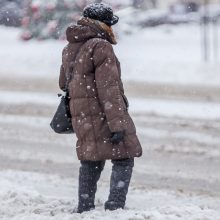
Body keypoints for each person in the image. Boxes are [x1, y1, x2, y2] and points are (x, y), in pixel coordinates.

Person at [59, 3, 142, 213]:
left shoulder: (71, 47)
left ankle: (85, 206)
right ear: (102, 24)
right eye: (109, 24)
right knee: (124, 157)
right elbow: (109, 89)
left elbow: (63, 83)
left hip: (83, 116)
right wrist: (118, 124)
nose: (111, 28)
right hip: (103, 114)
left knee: (91, 159)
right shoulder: (100, 46)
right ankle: (115, 208)